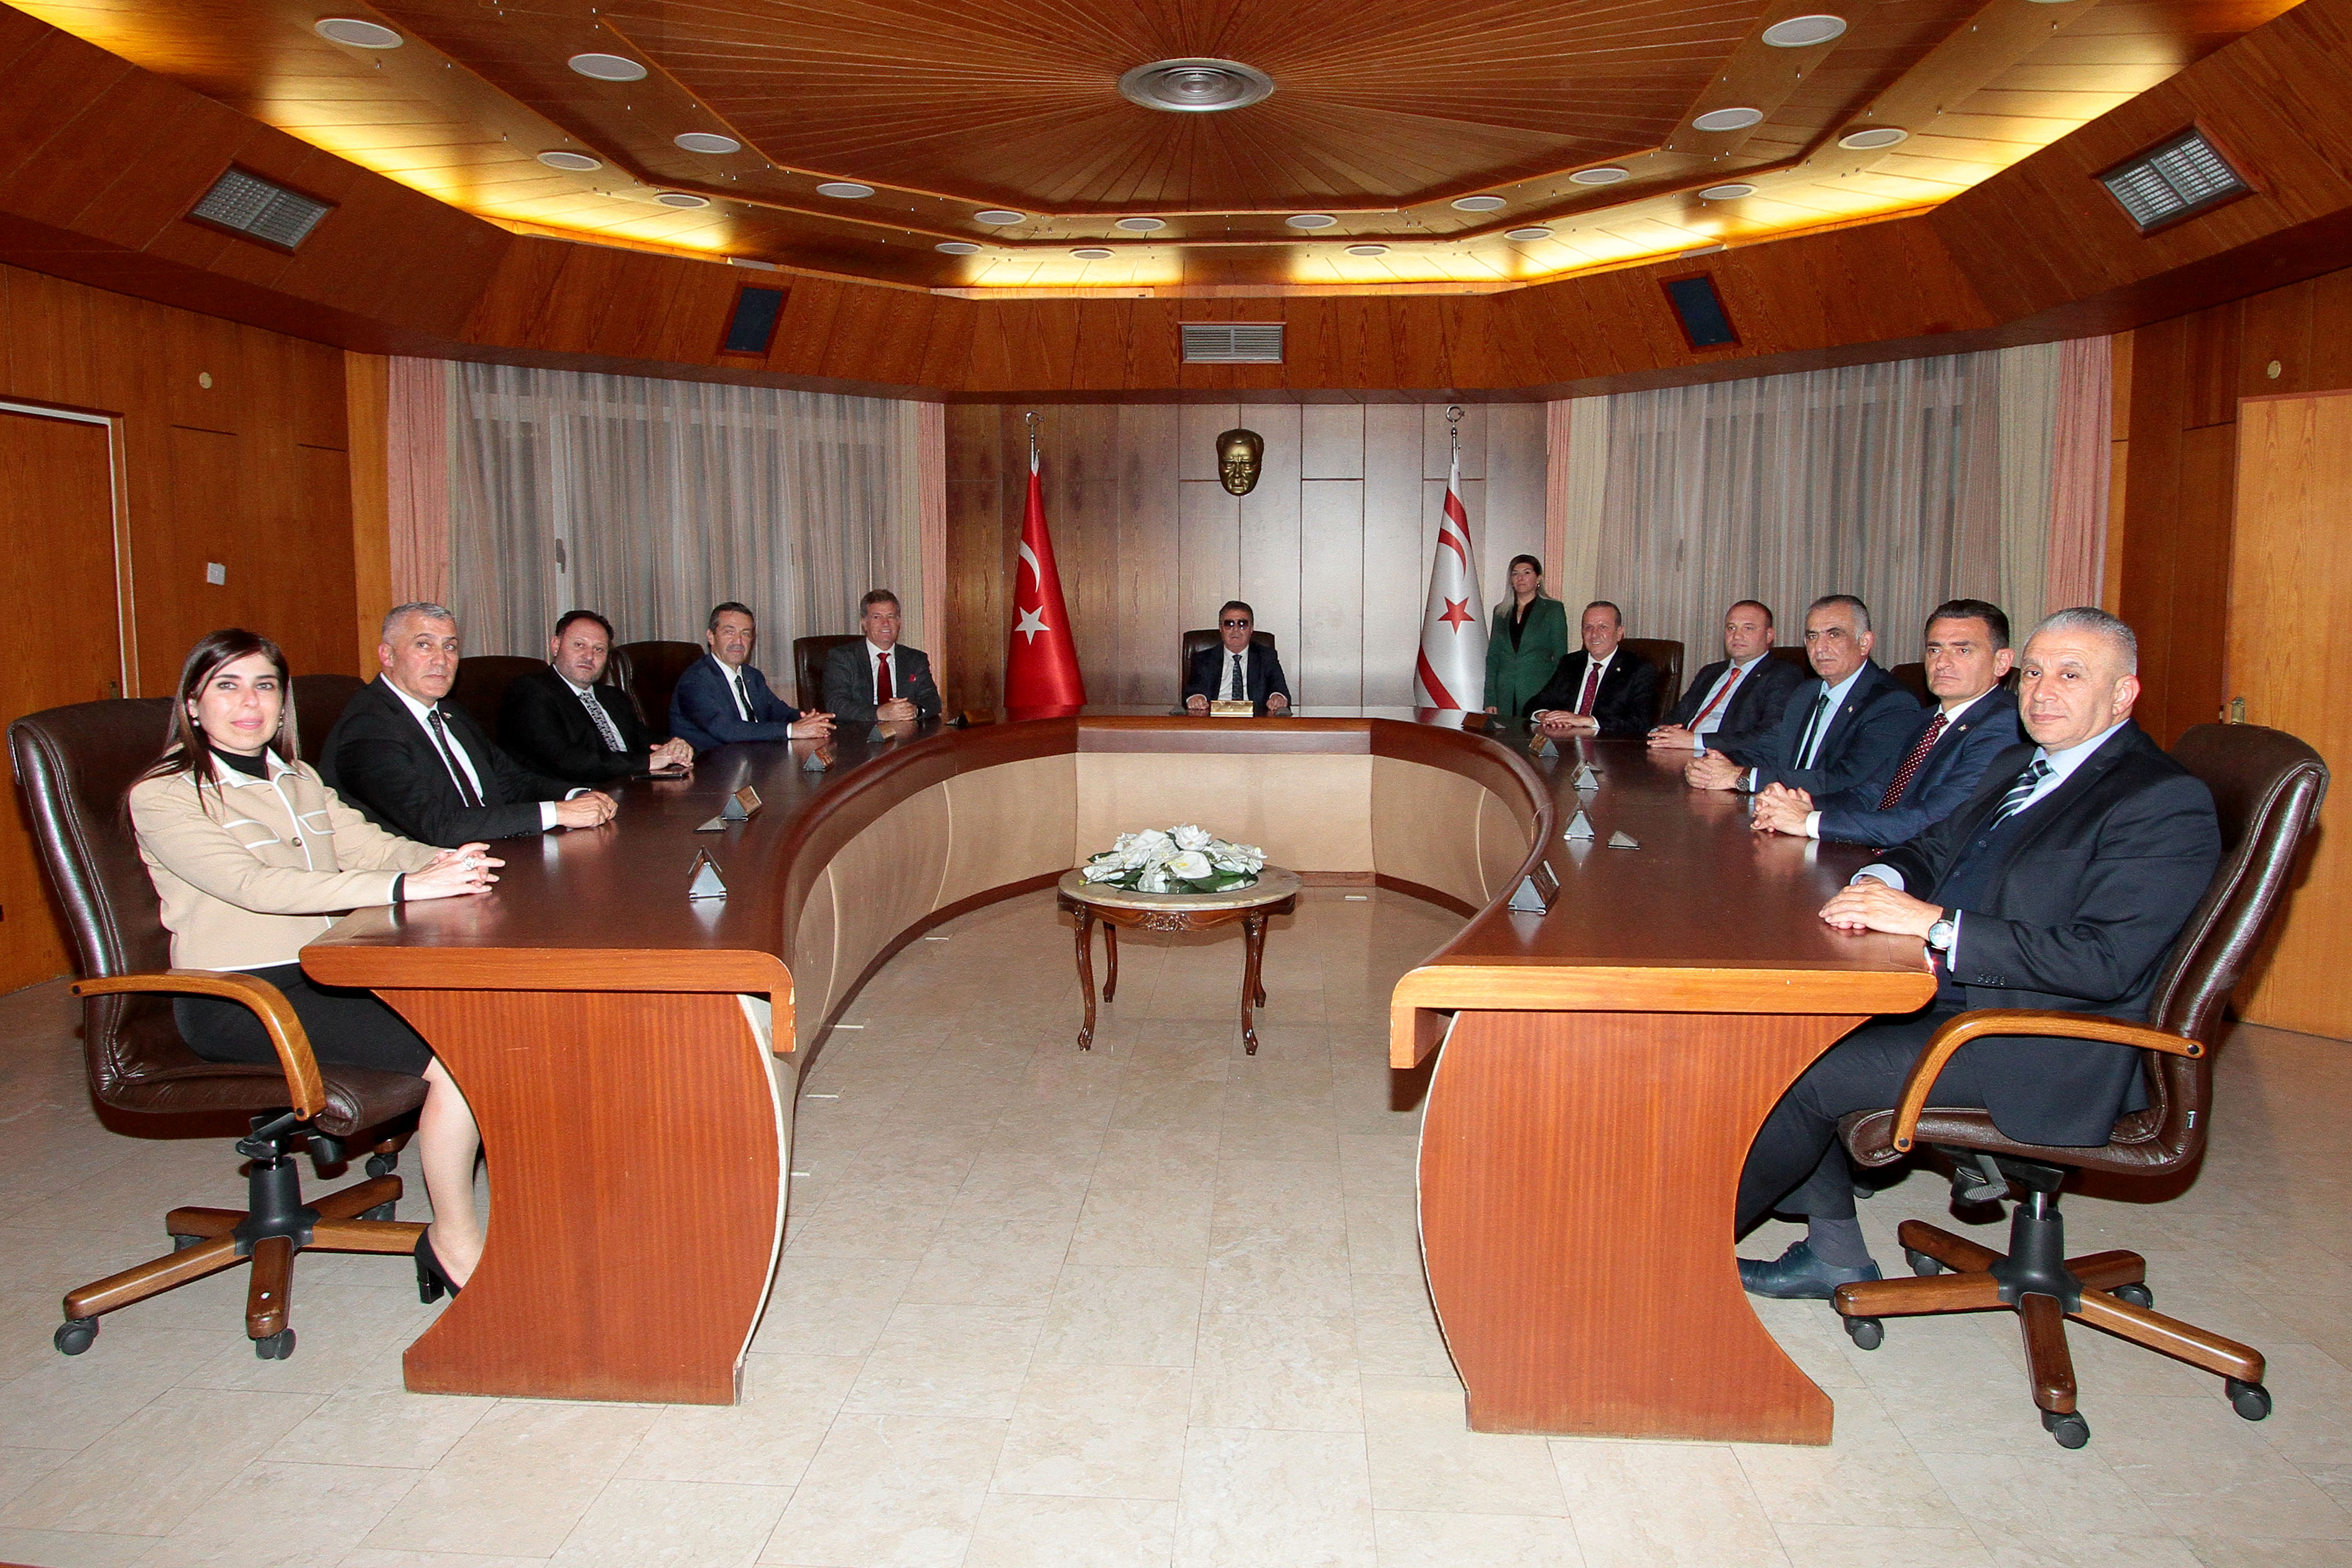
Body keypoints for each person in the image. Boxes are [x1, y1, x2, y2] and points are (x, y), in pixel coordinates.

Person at [1735, 609, 2220, 1299]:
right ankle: (1832, 1251)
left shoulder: (2161, 799)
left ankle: (1675, 1248)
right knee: (1779, 1027)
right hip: (1964, 989)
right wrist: (1877, 883)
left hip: (2040, 1035)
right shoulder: (2022, 761)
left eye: (2071, 676)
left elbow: (2103, 961)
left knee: (1796, 1071)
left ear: (2123, 694)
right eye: (2034, 673)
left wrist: (1934, 924)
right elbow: (1934, 847)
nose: (2041, 692)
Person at [129, 629, 499, 1293]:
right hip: (240, 996)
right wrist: (405, 886)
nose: (250, 703)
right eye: (227, 686)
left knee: (483, 1023)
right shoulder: (165, 795)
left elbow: (372, 846)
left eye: (265, 686)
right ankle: (454, 1240)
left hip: (329, 972)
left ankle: (512, 1217)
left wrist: (452, 861)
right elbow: (253, 885)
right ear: (192, 705)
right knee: (459, 1059)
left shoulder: (297, 778)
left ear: (283, 703)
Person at [322, 603, 618, 847]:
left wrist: (577, 795)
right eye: (424, 645)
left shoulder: (448, 712)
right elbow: (439, 826)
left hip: (491, 852)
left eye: (450, 647)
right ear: (387, 655)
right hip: (422, 875)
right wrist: (557, 812)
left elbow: (511, 781)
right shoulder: (368, 728)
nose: (441, 660)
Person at [1751, 599, 2021, 847]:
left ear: (2002, 662)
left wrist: (1809, 821)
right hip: (1878, 851)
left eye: (1962, 650)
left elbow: (1932, 819)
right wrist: (1802, 804)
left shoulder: (2006, 726)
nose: (1942, 663)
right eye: (1934, 649)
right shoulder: (1925, 719)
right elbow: (1870, 794)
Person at [1684, 594, 1917, 799]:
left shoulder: (1891, 702)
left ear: (1864, 643)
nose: (1820, 648)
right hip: (1781, 811)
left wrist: (1742, 777)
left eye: (1834, 635)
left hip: (1835, 825)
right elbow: (1769, 749)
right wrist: (1712, 764)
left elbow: (1844, 780)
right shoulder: (1808, 692)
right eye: (1813, 637)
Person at [499, 610, 695, 786]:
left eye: (599, 649)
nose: (589, 656)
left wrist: (676, 746)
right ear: (556, 645)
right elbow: (565, 760)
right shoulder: (531, 691)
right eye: (579, 645)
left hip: (633, 790)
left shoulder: (612, 697)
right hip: (575, 798)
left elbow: (645, 740)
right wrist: (648, 762)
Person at [670, 602, 836, 750]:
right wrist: (792, 730)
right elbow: (726, 730)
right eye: (729, 632)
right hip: (709, 768)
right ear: (711, 637)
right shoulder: (695, 680)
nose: (738, 641)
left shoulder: (752, 676)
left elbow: (780, 712)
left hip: (753, 760)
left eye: (745, 634)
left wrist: (811, 720)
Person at [1647, 600, 1804, 756]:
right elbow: (1677, 716)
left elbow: (1770, 733)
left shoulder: (1783, 675)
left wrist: (1696, 741)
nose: (1737, 636)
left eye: (1748, 628)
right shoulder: (1710, 672)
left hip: (1727, 758)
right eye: (1731, 628)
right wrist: (1660, 733)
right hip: (1677, 753)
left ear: (1769, 635)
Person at [1526, 601, 1658, 739]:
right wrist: (1544, 715)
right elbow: (1537, 702)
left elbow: (1640, 722)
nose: (1594, 634)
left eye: (1603, 627)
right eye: (1588, 628)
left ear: (1619, 633)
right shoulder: (1571, 663)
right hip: (1564, 741)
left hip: (1607, 746)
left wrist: (1587, 721)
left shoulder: (1638, 669)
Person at [822, 590, 943, 724]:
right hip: (861, 733)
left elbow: (933, 701)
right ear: (864, 623)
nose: (886, 623)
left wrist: (915, 711)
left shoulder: (915, 659)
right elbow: (836, 705)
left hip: (906, 731)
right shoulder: (842, 658)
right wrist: (879, 713)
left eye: (891, 616)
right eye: (877, 617)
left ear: (899, 622)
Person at [1483, 555, 1570, 724]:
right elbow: (1493, 657)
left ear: (1538, 578)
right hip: (1504, 694)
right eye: (1515, 574)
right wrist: (1490, 698)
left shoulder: (1553, 609)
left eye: (1527, 573)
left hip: (1538, 692)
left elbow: (1561, 658)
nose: (1520, 578)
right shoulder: (1500, 612)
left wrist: (1554, 697)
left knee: (1532, 737)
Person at [1184, 601, 1292, 713]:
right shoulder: (1203, 659)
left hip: (1255, 719)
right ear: (1221, 628)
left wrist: (1278, 697)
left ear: (1251, 629)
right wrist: (1196, 698)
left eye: (1242, 624)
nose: (1236, 630)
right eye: (1229, 624)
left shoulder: (1266, 657)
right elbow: (1194, 690)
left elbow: (1279, 688)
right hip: (1215, 718)